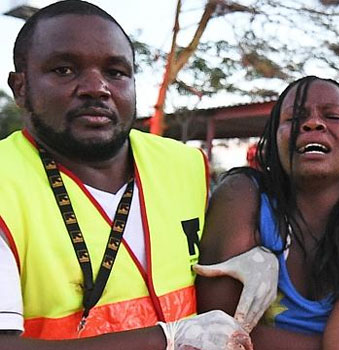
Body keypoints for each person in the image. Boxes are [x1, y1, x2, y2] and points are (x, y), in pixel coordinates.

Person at [0, 1, 277, 349]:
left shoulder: (184, 165)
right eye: (65, 70)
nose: (96, 87)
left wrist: (263, 255)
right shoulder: (5, 183)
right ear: (20, 87)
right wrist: (164, 340)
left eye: (116, 72)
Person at [195, 76, 339, 349]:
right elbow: (215, 336)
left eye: (333, 116)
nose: (313, 123)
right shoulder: (241, 195)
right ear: (274, 138)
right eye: (294, 118)